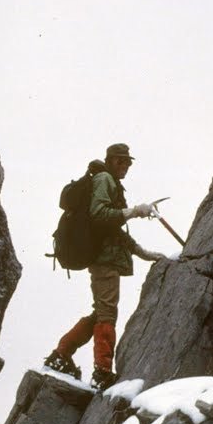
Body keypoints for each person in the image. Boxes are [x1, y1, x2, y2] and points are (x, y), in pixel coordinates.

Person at [44, 142, 163, 390]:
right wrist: (134, 211)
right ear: (110, 161)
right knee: (107, 314)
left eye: (128, 163)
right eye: (121, 161)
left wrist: (142, 252)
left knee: (100, 313)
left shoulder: (108, 181)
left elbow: (113, 229)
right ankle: (102, 372)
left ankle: (61, 354)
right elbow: (100, 215)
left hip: (105, 257)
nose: (125, 167)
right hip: (104, 260)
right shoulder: (105, 180)